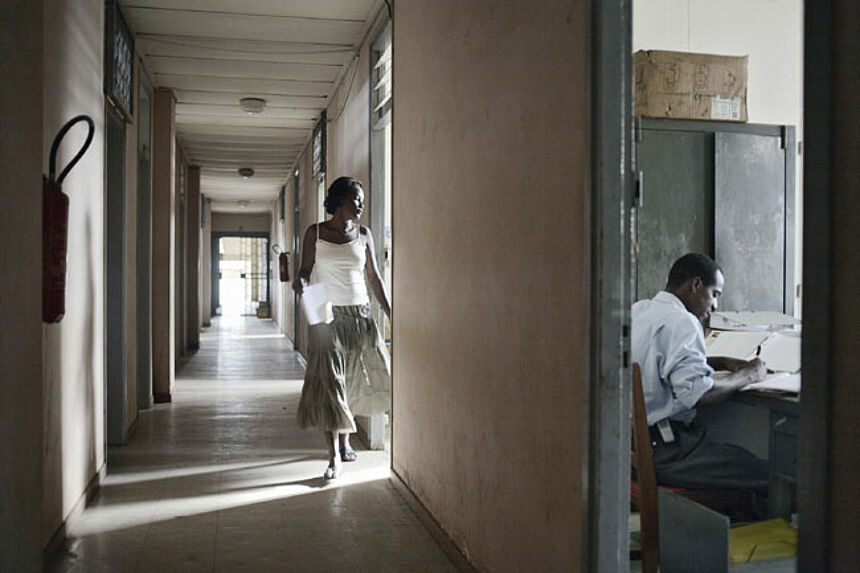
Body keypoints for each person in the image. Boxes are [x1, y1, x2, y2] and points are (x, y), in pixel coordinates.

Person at [631, 252, 769, 493]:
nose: (715, 305)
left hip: (631, 448)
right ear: (696, 285)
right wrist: (750, 375)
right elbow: (698, 394)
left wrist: (721, 362)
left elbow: (657, 363)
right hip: (668, 454)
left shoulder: (639, 311)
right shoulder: (683, 322)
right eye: (714, 294)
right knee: (769, 473)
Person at [292, 176, 392, 480]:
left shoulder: (364, 234)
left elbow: (374, 278)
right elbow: (305, 270)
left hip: (360, 315)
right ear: (338, 200)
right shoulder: (316, 233)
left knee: (350, 382)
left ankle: (347, 442)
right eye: (355, 198)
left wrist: (391, 312)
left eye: (361, 199)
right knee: (330, 382)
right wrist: (301, 282)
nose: (360, 204)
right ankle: (333, 454)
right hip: (326, 314)